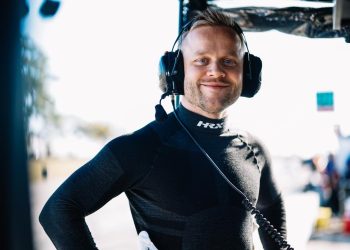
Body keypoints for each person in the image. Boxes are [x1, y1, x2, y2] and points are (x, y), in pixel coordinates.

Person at [39, 8, 288, 250]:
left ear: (248, 74)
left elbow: (272, 209)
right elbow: (59, 210)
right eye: (201, 60)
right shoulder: (141, 148)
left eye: (228, 61)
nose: (216, 71)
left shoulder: (255, 151)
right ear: (176, 72)